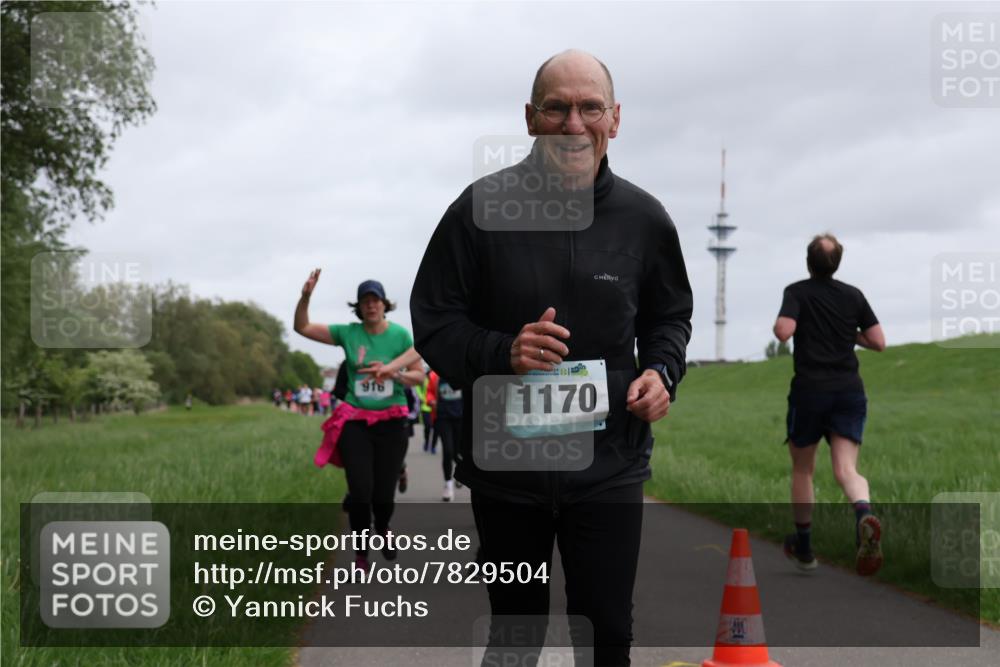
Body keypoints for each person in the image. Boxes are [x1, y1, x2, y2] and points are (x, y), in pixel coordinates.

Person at [410, 50, 692, 667]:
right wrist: (503, 351)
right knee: (515, 636)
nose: (573, 124)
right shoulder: (476, 211)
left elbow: (669, 318)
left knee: (607, 634)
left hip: (610, 465)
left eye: (590, 107)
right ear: (530, 117)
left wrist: (661, 372)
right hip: (508, 472)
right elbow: (435, 323)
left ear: (615, 118)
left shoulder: (645, 220)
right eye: (557, 108)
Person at [295, 272, 425, 570]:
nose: (371, 305)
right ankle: (361, 554)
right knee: (360, 491)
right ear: (359, 307)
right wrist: (305, 297)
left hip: (392, 422)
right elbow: (302, 327)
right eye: (365, 301)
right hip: (355, 422)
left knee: (383, 495)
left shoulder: (400, 336)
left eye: (375, 300)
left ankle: (383, 526)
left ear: (384, 305)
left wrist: (393, 373)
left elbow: (419, 375)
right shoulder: (348, 333)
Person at [774, 233, 885, 576]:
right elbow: (878, 341)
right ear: (838, 263)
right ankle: (863, 514)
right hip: (848, 391)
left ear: (809, 261)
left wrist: (797, 322)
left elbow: (783, 331)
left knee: (803, 469)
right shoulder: (853, 295)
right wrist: (850, 333)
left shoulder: (797, 292)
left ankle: (805, 549)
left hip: (810, 391)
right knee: (846, 470)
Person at [428, 370, 462, 501]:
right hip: (443, 418)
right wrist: (431, 400)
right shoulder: (434, 376)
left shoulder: (462, 372)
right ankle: (448, 484)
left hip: (461, 418)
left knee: (458, 453)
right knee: (448, 451)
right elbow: (429, 392)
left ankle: (461, 473)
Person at [415, 372, 434, 451]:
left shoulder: (436, 380)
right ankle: (426, 442)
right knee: (427, 426)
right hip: (425, 407)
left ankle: (433, 445)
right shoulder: (424, 380)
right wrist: (421, 397)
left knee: (436, 428)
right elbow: (417, 387)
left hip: (435, 407)